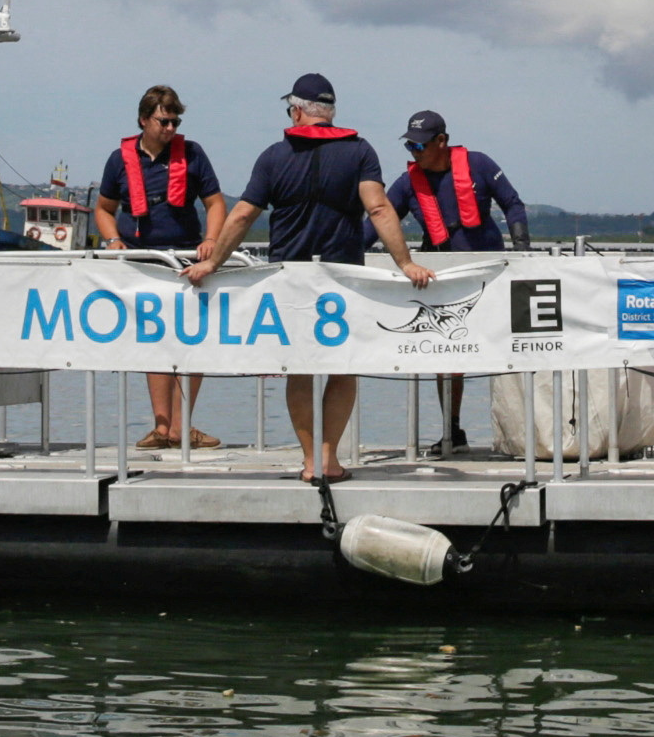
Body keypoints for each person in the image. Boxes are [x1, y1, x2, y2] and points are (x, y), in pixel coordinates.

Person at [182, 73, 432, 481]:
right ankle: (330, 458)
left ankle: (311, 460)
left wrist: (213, 263)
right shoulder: (360, 151)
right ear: (330, 115)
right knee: (342, 367)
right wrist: (405, 264)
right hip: (342, 272)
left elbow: (244, 213)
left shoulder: (274, 156)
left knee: (300, 368)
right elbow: (381, 210)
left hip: (291, 274)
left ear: (297, 111)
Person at [93, 84, 230, 451]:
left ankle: (183, 426)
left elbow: (216, 203)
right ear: (144, 120)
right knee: (153, 340)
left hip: (187, 262)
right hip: (141, 262)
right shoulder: (118, 160)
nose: (170, 128)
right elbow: (103, 209)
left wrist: (212, 240)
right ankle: (162, 426)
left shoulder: (194, 154)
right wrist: (112, 242)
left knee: (190, 340)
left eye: (175, 121)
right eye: (164, 121)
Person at [392, 110, 530, 453]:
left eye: (421, 146)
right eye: (410, 145)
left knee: (513, 348)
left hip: (491, 274)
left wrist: (523, 254)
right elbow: (376, 222)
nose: (415, 152)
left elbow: (513, 204)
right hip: (445, 279)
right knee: (447, 358)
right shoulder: (408, 182)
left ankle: (525, 428)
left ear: (442, 141)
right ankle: (451, 430)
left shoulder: (479, 165)